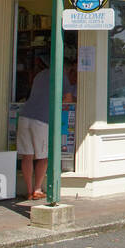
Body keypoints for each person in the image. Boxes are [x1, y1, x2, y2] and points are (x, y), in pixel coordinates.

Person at [17, 56, 77, 200]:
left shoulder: (40, 75)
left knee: (27, 156)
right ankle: (37, 189)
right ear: (67, 68)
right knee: (44, 156)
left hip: (25, 116)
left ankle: (29, 191)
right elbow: (68, 99)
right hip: (42, 119)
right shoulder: (62, 75)